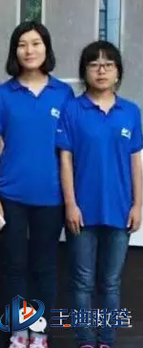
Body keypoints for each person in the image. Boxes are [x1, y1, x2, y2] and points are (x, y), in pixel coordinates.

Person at [0, 21, 74, 348]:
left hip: (51, 196)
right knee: (14, 267)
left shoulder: (63, 94)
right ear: (14, 51)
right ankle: (19, 333)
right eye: (22, 44)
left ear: (46, 48)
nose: (29, 50)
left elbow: (68, 152)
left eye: (36, 43)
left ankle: (40, 334)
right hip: (10, 196)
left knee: (45, 268)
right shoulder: (2, 94)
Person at [56, 41, 142, 348]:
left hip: (120, 210)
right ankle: (84, 340)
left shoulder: (130, 112)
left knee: (111, 282)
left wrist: (138, 204)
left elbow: (136, 161)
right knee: (82, 282)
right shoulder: (72, 109)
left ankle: (106, 340)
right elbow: (65, 160)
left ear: (118, 72)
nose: (101, 70)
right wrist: (70, 204)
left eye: (108, 64)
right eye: (94, 64)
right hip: (82, 211)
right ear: (84, 72)